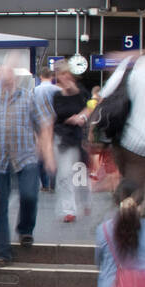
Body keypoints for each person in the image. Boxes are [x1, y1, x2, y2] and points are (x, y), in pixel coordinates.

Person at [0, 57, 55, 264]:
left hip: (26, 157)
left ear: (15, 80)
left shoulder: (29, 98)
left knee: (29, 195)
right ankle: (2, 252)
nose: (7, 82)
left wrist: (48, 154)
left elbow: (44, 127)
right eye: (3, 78)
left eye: (10, 78)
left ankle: (25, 229)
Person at [98, 28, 145, 201]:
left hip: (121, 138)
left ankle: (123, 217)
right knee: (135, 197)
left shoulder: (129, 64)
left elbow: (105, 94)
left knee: (128, 188)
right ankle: (126, 222)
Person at [51, 62, 91, 223]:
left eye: (66, 74)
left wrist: (81, 117)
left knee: (80, 175)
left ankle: (86, 200)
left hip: (79, 137)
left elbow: (91, 106)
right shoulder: (57, 96)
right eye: (61, 75)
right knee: (64, 175)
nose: (64, 77)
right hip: (63, 138)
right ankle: (69, 210)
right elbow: (57, 115)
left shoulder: (81, 92)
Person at [34, 67, 59, 191]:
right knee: (54, 153)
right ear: (52, 76)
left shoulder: (34, 91)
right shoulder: (57, 90)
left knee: (41, 155)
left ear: (40, 77)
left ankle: (44, 184)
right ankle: (53, 183)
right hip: (55, 125)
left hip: (39, 126)